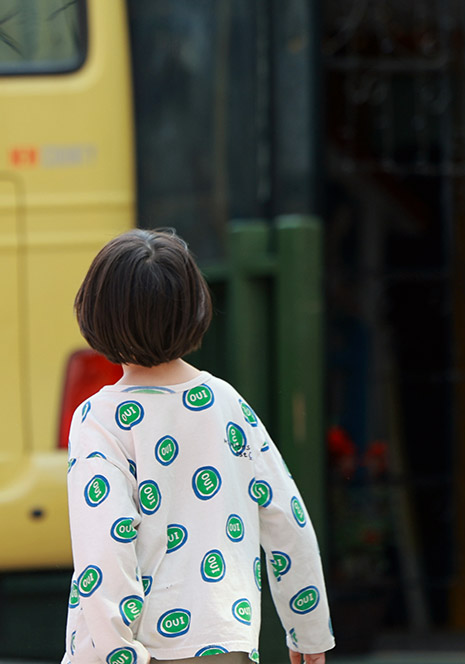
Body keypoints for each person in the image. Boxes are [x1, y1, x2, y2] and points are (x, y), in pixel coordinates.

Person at [63, 230, 334, 664]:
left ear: (96, 313)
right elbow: (288, 519)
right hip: (227, 639)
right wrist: (309, 631)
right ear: (195, 308)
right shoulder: (226, 403)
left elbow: (106, 547)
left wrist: (116, 651)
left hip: (142, 648)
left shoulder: (98, 419)